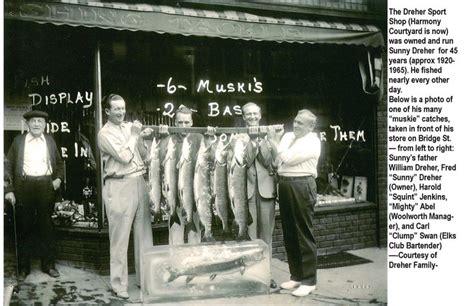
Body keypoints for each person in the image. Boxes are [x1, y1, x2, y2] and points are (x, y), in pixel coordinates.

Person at [97, 94, 153, 299]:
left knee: (144, 235)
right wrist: (135, 135)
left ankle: (145, 280)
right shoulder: (104, 134)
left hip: (139, 181)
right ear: (107, 111)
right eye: (116, 109)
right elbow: (124, 156)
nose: (121, 112)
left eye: (123, 108)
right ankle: (118, 284)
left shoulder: (130, 128)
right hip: (119, 184)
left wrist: (141, 139)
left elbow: (144, 157)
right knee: (120, 238)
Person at [4, 110, 64, 280]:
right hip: (24, 186)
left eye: (40, 121)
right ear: (27, 124)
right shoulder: (18, 141)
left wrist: (58, 179)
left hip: (46, 186)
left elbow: (59, 163)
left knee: (46, 227)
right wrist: (9, 190)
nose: (37, 124)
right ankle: (23, 268)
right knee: (24, 227)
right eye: (33, 121)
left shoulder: (50, 141)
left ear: (45, 125)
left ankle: (49, 266)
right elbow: (7, 167)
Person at [267, 109, 321, 297]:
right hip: (285, 184)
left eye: (301, 123)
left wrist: (273, 141)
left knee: (303, 232)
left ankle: (309, 281)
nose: (295, 125)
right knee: (289, 231)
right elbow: (278, 162)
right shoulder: (288, 137)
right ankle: (296, 276)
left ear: (311, 126)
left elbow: (287, 158)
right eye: (295, 121)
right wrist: (278, 144)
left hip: (302, 184)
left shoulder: (313, 141)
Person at [241, 102, 278, 289]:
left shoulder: (269, 135)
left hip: (266, 193)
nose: (252, 117)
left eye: (255, 113)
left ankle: (267, 275)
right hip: (246, 194)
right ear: (243, 117)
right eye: (248, 114)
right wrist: (252, 141)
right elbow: (245, 162)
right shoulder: (239, 137)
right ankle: (252, 277)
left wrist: (262, 140)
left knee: (266, 237)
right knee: (250, 236)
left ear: (260, 114)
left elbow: (270, 162)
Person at [158, 105, 203, 245]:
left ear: (192, 123)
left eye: (187, 122)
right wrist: (162, 137)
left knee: (195, 238)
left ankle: (195, 265)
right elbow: (159, 161)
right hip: (175, 198)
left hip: (193, 197)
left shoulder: (199, 138)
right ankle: (177, 265)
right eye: (180, 123)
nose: (183, 126)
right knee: (175, 238)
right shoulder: (169, 140)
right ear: (175, 123)